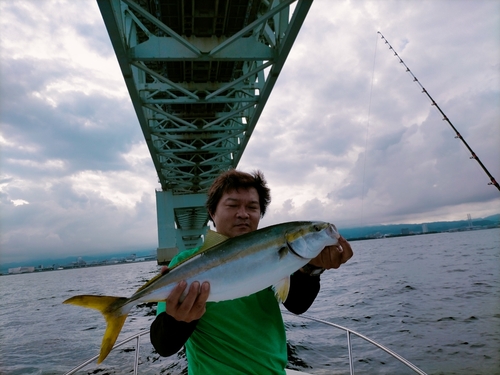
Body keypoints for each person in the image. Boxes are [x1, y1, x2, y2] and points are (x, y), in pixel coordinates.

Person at [150, 169, 353, 374]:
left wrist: (313, 268)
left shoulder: (271, 256)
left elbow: (297, 304)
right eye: (232, 205)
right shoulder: (185, 264)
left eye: (252, 207)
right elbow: (163, 345)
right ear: (212, 212)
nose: (243, 214)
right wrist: (178, 320)